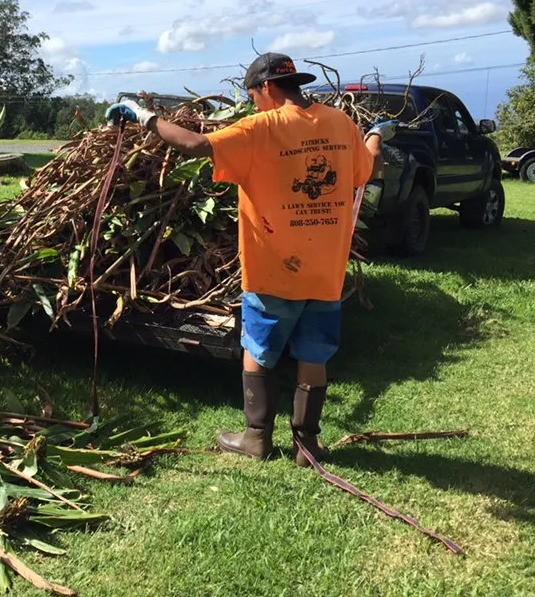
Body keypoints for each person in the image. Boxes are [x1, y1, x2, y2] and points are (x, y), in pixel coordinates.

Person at [106, 52, 396, 467]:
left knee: (258, 349)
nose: (254, 102)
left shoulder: (261, 128)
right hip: (325, 271)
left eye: (253, 94)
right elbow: (367, 168)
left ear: (266, 88)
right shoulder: (340, 124)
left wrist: (143, 115)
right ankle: (307, 445)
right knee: (314, 354)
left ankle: (256, 437)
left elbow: (193, 145)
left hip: (274, 268)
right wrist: (376, 135)